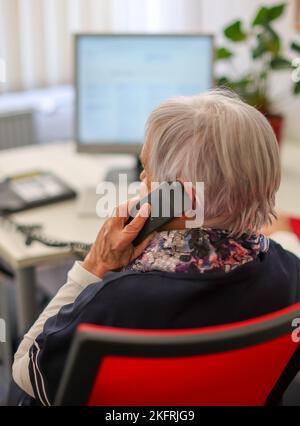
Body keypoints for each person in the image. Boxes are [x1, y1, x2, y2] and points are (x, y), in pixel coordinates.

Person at [12, 90, 300, 405]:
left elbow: (26, 371)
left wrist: (93, 266)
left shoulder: (116, 301)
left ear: (180, 200)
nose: (141, 178)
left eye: (148, 172)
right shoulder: (289, 270)